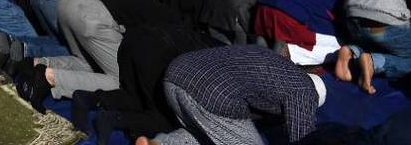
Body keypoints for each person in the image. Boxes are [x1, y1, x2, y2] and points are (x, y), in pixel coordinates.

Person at [137, 45, 325, 145]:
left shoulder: (276, 64)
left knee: (207, 135)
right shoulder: (304, 91)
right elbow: (303, 138)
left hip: (175, 75)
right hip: (213, 93)